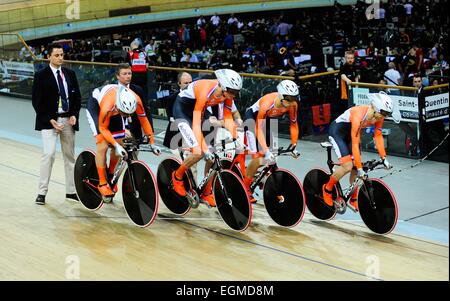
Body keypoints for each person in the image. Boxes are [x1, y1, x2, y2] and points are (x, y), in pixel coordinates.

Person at [170, 69, 243, 207]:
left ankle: (206, 191)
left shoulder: (227, 93)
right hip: (183, 111)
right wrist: (204, 148)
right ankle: (177, 176)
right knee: (198, 152)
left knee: (216, 151)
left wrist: (235, 136)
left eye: (236, 92)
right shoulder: (206, 90)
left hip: (200, 112)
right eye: (232, 92)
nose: (233, 95)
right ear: (222, 86)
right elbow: (196, 125)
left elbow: (227, 117)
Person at [322, 92, 395, 211]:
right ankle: (327, 188)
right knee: (347, 166)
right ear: (375, 107)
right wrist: (360, 168)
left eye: (387, 115)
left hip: (351, 135)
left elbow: (378, 136)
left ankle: (353, 197)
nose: (384, 117)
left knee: (356, 167)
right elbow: (355, 143)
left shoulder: (379, 115)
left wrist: (384, 158)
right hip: (338, 133)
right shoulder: (358, 114)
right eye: (383, 113)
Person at [86, 85, 160, 197]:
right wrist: (115, 145)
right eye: (124, 114)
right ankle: (102, 183)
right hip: (97, 106)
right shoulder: (108, 106)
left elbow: (144, 121)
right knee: (103, 144)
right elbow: (103, 128)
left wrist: (152, 142)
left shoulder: (137, 100)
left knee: (121, 141)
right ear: (118, 106)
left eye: (128, 114)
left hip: (115, 108)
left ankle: (111, 175)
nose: (126, 116)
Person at [32, 43, 82, 205]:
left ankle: (71, 191)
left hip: (67, 119)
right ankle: (41, 192)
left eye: (62, 55)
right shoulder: (41, 75)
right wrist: (49, 120)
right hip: (50, 121)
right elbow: (37, 102)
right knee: (49, 154)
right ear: (49, 57)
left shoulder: (70, 74)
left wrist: (74, 114)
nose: (60, 58)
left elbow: (77, 97)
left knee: (69, 157)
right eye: (57, 55)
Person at [242, 80, 301, 202]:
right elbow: (258, 128)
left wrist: (294, 145)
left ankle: (264, 180)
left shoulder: (293, 105)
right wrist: (266, 150)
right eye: (288, 99)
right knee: (258, 157)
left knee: (272, 156)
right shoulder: (267, 103)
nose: (291, 103)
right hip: (253, 120)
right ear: (280, 95)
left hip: (269, 121)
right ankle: (245, 187)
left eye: (293, 99)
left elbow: (294, 124)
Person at [338, 51, 358, 115]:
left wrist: (357, 88)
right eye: (348, 58)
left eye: (352, 58)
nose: (350, 60)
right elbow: (342, 75)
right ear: (346, 59)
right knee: (345, 108)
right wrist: (347, 80)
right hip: (345, 91)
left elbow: (356, 77)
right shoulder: (343, 67)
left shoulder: (355, 67)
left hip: (353, 90)